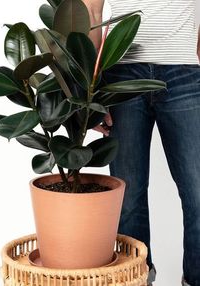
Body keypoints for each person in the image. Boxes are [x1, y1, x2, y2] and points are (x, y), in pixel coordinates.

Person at [83, 0, 200, 285]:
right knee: (128, 195)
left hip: (183, 72)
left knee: (197, 189)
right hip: (122, 73)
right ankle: (135, 277)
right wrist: (91, 93)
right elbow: (91, 11)